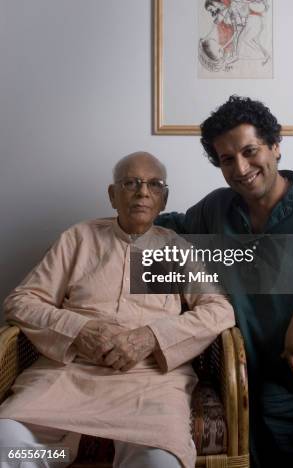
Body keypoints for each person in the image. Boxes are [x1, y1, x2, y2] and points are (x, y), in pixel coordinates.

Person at [157, 96, 293, 468]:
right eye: (227, 159)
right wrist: (96, 235)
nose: (241, 168)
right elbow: (169, 230)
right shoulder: (217, 210)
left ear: (275, 147)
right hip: (236, 383)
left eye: (250, 151)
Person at [0, 152, 235, 468]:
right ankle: (55, 455)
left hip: (150, 379)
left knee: (158, 462)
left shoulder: (176, 250)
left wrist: (152, 336)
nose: (142, 192)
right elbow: (21, 301)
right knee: (8, 445)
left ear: (163, 200)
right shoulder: (78, 239)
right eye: (130, 183)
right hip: (68, 375)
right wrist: (77, 329)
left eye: (154, 185)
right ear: (113, 195)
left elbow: (219, 309)